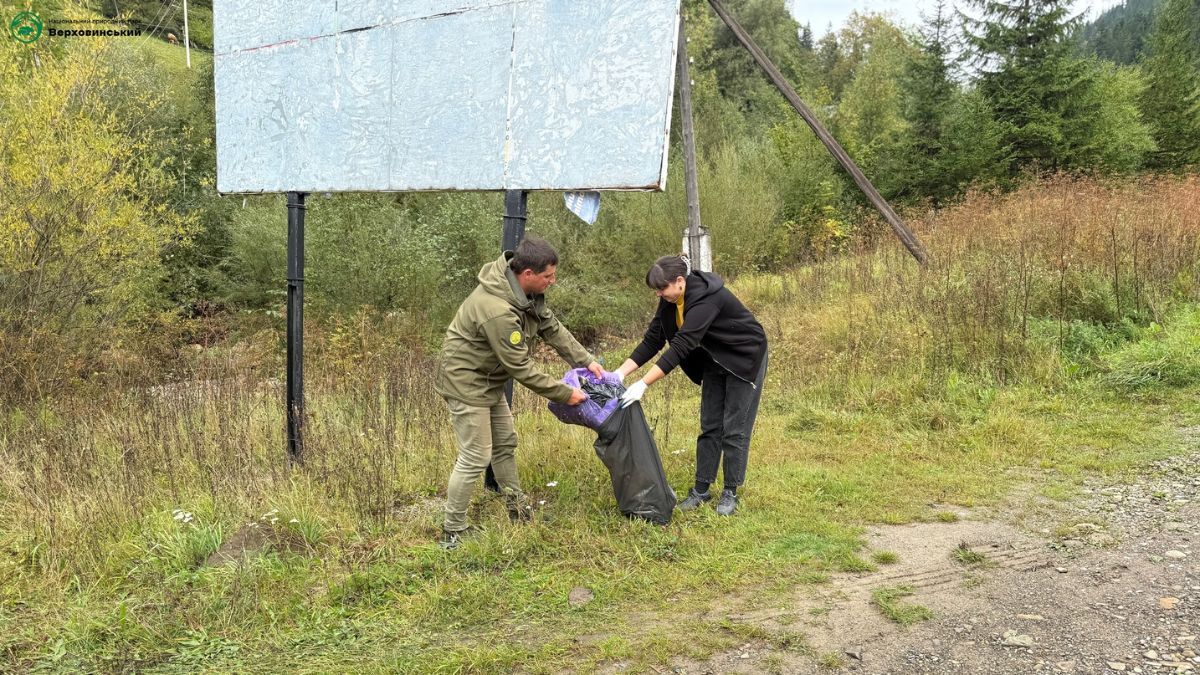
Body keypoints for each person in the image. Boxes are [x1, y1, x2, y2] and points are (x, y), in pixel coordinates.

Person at [435, 237, 604, 549]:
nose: (552, 282)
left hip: (488, 379)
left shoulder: (526, 294)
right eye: (548, 277)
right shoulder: (497, 310)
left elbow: (552, 328)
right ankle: (452, 530)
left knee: (505, 443)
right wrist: (565, 394)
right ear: (528, 274)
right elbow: (521, 369)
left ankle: (517, 509)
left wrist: (587, 362)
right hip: (466, 382)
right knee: (475, 455)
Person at [614, 254, 768, 516]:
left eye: (662, 289)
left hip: (744, 357)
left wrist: (642, 384)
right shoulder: (670, 300)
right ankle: (701, 490)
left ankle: (730, 492)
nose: (659, 295)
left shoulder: (707, 299)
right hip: (713, 359)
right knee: (710, 425)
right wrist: (618, 374)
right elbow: (653, 341)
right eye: (657, 290)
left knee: (734, 427)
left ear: (680, 281)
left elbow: (682, 345)